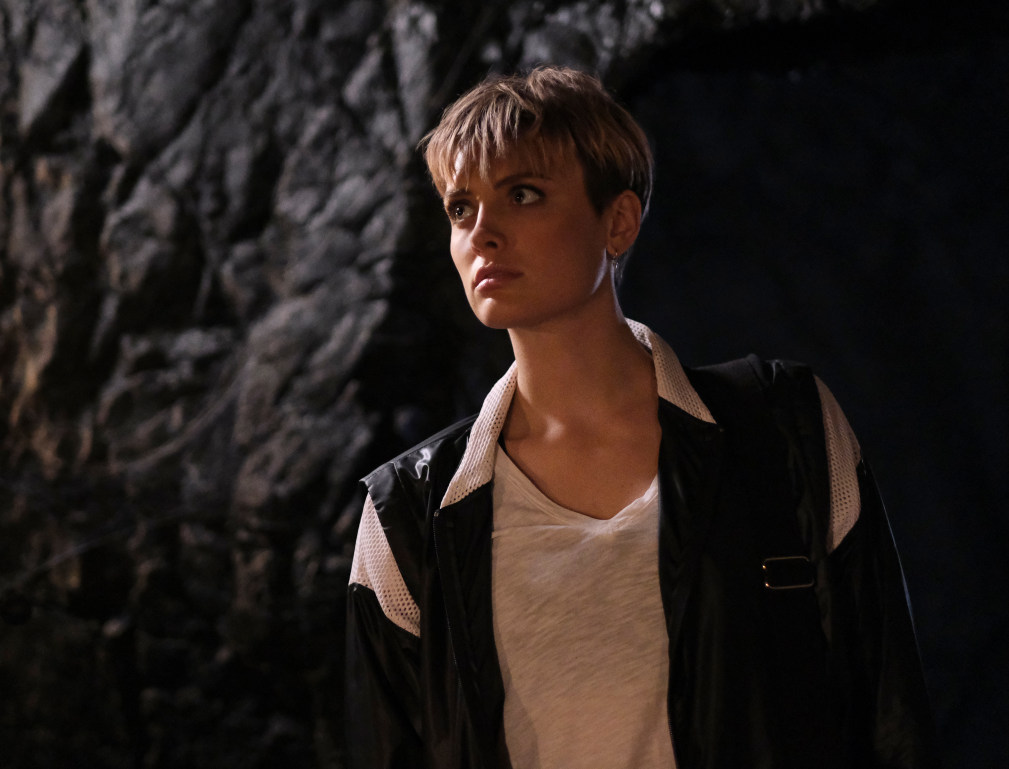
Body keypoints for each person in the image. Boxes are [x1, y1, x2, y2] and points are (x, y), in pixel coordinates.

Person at [345, 66, 938, 769]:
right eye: (460, 208)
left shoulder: (784, 427)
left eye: (523, 194)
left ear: (618, 222)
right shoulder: (408, 515)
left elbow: (889, 717)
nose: (483, 233)